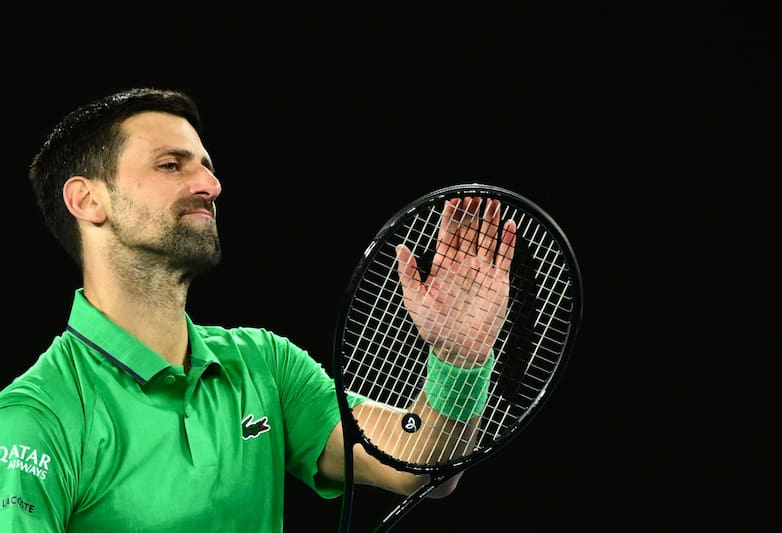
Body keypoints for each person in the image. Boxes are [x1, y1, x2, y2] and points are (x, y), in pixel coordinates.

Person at [0, 87, 516, 532]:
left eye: (206, 166)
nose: (209, 185)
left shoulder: (264, 364)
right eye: (170, 165)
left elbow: (417, 464)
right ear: (88, 200)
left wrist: (459, 356)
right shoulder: (35, 419)